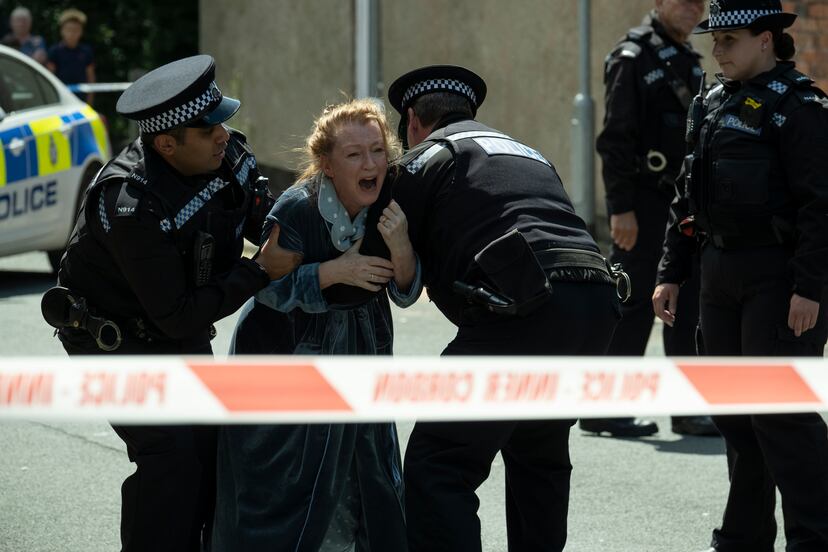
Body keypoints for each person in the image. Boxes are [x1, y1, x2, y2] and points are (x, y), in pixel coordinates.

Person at [41, 55, 301, 552]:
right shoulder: (129, 200)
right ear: (166, 144)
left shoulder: (228, 156)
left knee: (212, 450)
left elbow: (274, 222)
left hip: (177, 326)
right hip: (114, 338)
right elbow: (176, 313)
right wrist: (259, 271)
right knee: (171, 456)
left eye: (222, 121)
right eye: (208, 129)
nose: (223, 135)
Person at [386, 65, 621, 552]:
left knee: (440, 465)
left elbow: (375, 245)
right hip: (596, 303)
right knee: (539, 456)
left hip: (520, 309)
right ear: (471, 112)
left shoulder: (428, 156)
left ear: (412, 121)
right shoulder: (528, 153)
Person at [652, 1, 828, 549]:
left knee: (780, 415)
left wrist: (809, 288)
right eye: (716, 40)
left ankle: (815, 536)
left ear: (766, 39)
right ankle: (745, 536)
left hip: (778, 276)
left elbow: (820, 206)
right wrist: (670, 271)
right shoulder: (711, 103)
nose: (718, 50)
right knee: (734, 413)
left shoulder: (800, 107)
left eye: (730, 40)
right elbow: (687, 195)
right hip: (718, 273)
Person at [212, 98, 421, 552]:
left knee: (366, 488)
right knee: (288, 494)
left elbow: (405, 291)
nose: (371, 164)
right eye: (354, 154)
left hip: (362, 358)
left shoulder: (391, 201)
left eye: (378, 150)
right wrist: (334, 272)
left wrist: (401, 245)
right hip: (288, 363)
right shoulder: (297, 209)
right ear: (327, 165)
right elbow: (266, 287)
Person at [589, 0, 717, 437]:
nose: (692, 9)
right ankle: (604, 408)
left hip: (680, 205)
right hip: (641, 204)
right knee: (631, 303)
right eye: (683, 1)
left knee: (686, 302)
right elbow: (615, 140)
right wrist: (620, 208)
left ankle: (687, 409)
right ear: (659, 3)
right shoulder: (633, 57)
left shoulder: (688, 58)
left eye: (698, 2)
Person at [46, 9, 95, 104]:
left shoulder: (86, 51)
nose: (72, 33)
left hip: (81, 100)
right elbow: (50, 77)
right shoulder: (55, 51)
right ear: (62, 31)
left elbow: (91, 77)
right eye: (69, 30)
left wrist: (90, 101)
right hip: (61, 100)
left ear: (81, 32)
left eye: (76, 30)